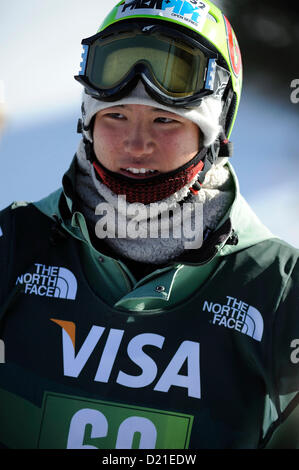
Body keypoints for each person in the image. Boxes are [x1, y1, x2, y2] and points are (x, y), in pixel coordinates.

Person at [0, 0, 298, 450]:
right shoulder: (14, 244)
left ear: (214, 135)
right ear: (87, 123)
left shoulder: (279, 292)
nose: (136, 144)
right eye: (115, 115)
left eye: (165, 120)